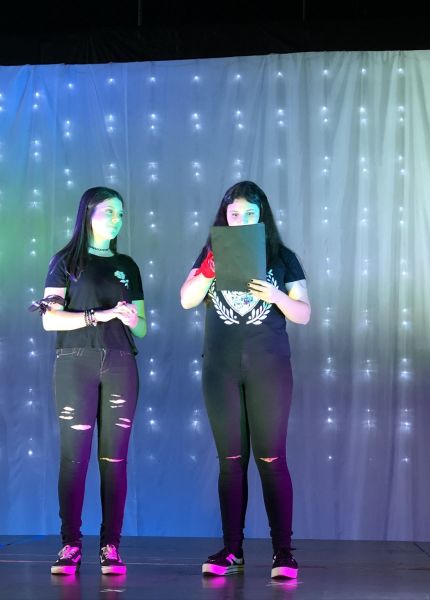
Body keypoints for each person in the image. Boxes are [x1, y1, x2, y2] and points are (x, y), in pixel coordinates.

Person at [179, 181, 310, 579]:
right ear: (225, 216)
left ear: (261, 217)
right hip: (220, 368)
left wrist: (277, 296)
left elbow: (303, 313)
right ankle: (232, 550)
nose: (241, 220)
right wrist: (209, 269)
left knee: (271, 458)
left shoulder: (282, 257)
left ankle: (283, 552)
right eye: (234, 214)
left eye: (249, 214)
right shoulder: (210, 254)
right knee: (231, 461)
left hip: (269, 368)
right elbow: (186, 299)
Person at [40, 186, 146, 576]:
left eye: (121, 213)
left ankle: (110, 546)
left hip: (120, 363)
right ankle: (70, 544)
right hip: (74, 363)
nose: (116, 220)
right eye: (108, 212)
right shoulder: (65, 261)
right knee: (74, 457)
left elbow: (143, 326)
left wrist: (132, 319)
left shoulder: (128, 266)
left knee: (114, 460)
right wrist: (97, 316)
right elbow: (49, 319)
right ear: (87, 213)